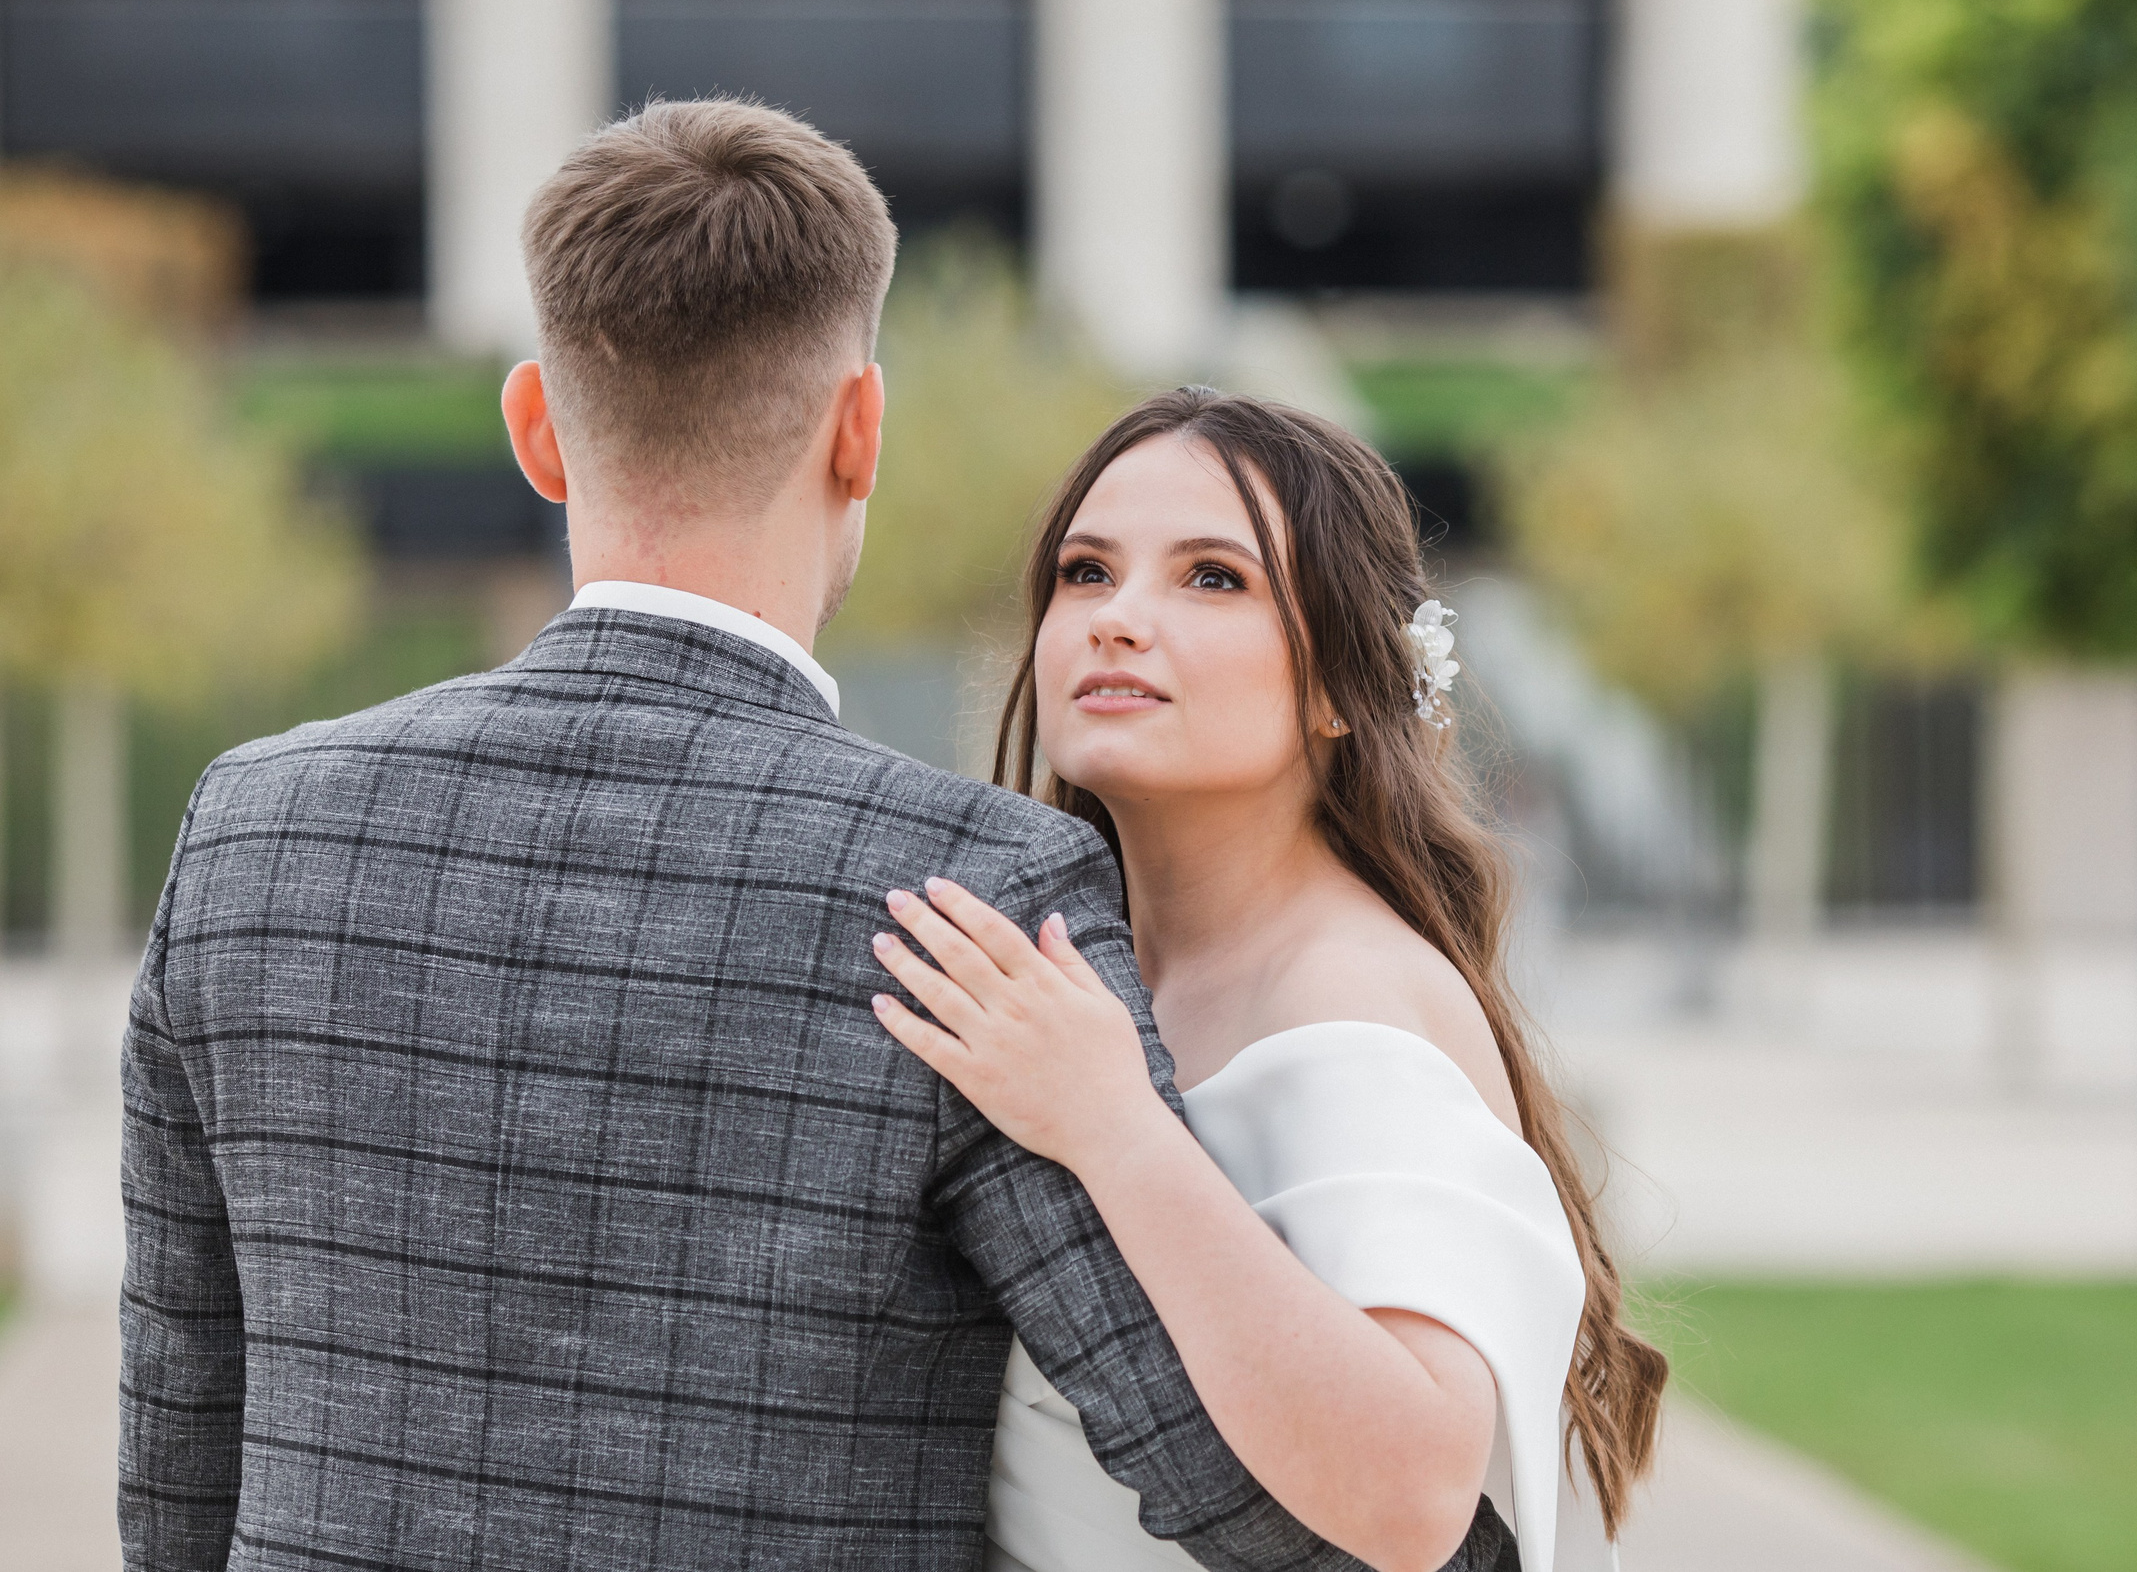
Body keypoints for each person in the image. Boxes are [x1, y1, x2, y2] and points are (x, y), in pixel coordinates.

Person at [117, 101, 1515, 1572]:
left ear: (536, 427)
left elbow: (178, 1451)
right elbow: (1256, 1492)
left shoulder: (249, 832)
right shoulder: (970, 902)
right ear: (862, 429)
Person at [868, 389, 1669, 1572]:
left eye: (1212, 579)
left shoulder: (1346, 999)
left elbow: (1412, 1493)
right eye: (1086, 572)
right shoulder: (1094, 971)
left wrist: (1114, 1130)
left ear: (1343, 684)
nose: (1117, 619)